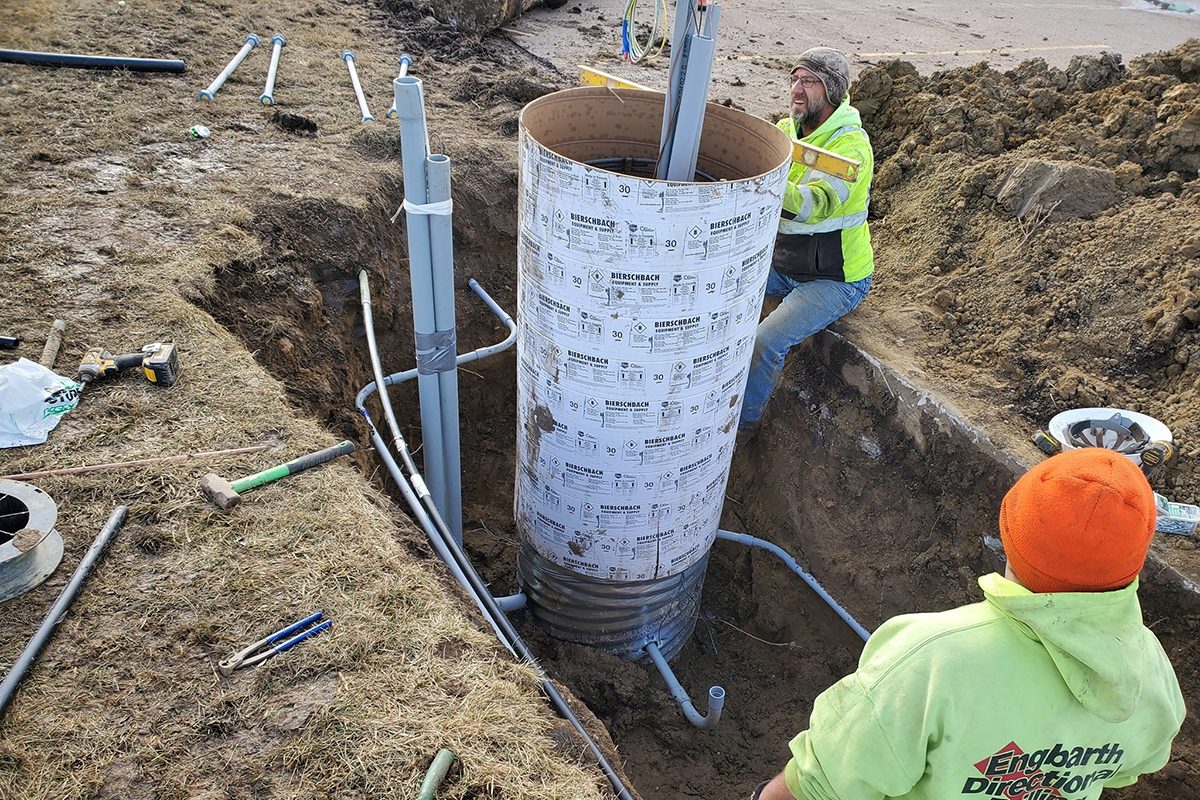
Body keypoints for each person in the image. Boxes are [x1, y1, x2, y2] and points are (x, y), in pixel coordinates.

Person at [751, 447, 1185, 800]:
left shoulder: (931, 659)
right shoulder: (1154, 676)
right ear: (1132, 565)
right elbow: (1134, 764)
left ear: (1012, 532)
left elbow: (819, 785)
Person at [740, 47, 875, 430]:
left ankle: (742, 428)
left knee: (764, 341)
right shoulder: (787, 130)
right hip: (785, 262)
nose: (797, 89)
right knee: (719, 293)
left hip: (834, 277)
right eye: (794, 79)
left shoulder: (851, 149)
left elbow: (816, 204)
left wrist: (758, 187)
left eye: (809, 81)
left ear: (831, 91)